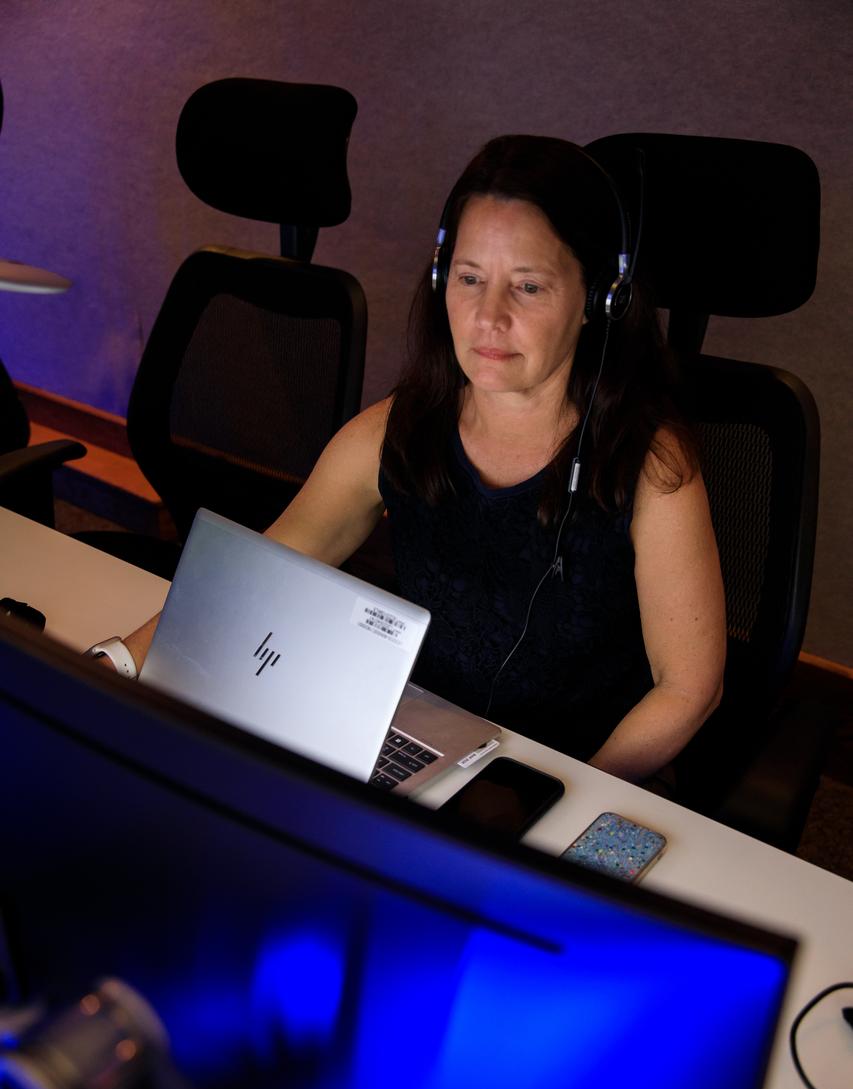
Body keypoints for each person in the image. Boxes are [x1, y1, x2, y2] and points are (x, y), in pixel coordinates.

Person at [115, 135, 726, 784]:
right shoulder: (395, 430)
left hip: (577, 775)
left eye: (527, 286)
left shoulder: (652, 466)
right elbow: (258, 573)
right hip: (421, 751)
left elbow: (688, 688)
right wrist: (116, 665)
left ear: (598, 299)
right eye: (468, 279)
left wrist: (560, 808)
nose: (487, 317)